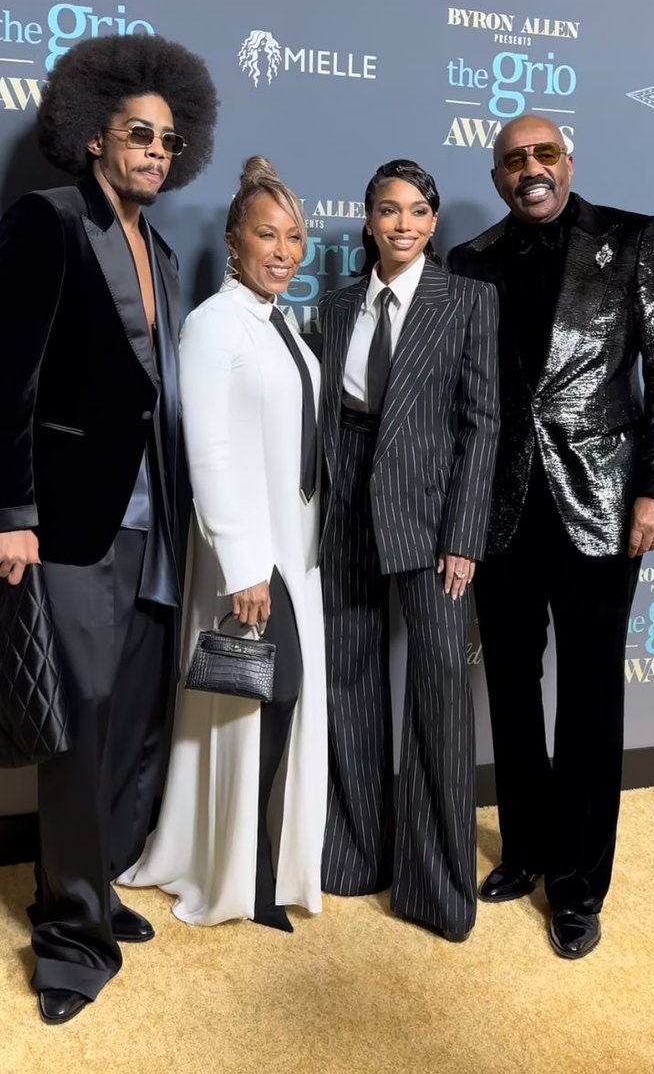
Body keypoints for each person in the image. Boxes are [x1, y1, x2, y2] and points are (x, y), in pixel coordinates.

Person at [0, 34, 217, 1023]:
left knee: (128, 715)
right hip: (70, 524)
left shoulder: (162, 247)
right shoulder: (47, 222)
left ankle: (95, 886)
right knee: (77, 727)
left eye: (169, 141)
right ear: (94, 138)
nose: (155, 153)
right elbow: (7, 379)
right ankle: (68, 938)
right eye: (140, 135)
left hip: (149, 523)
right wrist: (14, 514)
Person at [447, 114, 654, 958]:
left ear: (568, 161)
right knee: (511, 690)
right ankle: (525, 851)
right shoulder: (469, 263)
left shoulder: (628, 239)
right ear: (497, 176)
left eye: (543, 154)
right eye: (514, 160)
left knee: (590, 698)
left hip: (600, 502)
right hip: (502, 509)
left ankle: (579, 885)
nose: (531, 170)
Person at [121, 158, 327, 934]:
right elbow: (205, 450)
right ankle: (242, 875)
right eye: (265, 235)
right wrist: (245, 563)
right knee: (256, 702)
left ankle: (266, 862)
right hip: (248, 557)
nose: (283, 251)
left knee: (275, 704)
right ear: (233, 241)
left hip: (293, 552)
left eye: (294, 237)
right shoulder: (212, 324)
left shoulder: (283, 325)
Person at [319, 159, 499, 942]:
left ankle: (436, 889)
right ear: (366, 221)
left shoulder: (467, 300)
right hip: (345, 510)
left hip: (431, 524)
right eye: (386, 210)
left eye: (417, 211)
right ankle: (355, 857)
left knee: (438, 699)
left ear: (432, 223)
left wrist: (463, 536)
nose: (402, 224)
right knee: (349, 684)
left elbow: (482, 424)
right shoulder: (331, 309)